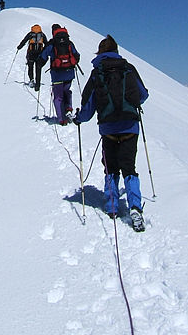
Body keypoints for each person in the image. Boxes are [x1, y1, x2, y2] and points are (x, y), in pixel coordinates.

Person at [74, 35, 149, 231]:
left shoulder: (97, 72)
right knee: (129, 167)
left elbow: (88, 107)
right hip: (130, 127)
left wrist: (78, 119)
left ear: (99, 52)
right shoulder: (128, 68)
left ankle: (112, 206)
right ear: (116, 50)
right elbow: (143, 94)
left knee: (111, 167)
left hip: (108, 129)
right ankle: (134, 207)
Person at [38, 24, 80, 125]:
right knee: (67, 90)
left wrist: (38, 65)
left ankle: (62, 119)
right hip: (69, 73)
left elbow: (42, 57)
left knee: (58, 96)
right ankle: (68, 107)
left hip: (57, 74)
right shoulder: (69, 42)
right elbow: (77, 56)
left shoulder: (52, 44)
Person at [16, 24, 46, 90]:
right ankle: (37, 84)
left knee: (30, 67)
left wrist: (19, 47)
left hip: (31, 54)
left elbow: (24, 41)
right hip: (39, 54)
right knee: (38, 69)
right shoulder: (42, 34)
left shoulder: (30, 34)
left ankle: (31, 80)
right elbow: (46, 44)